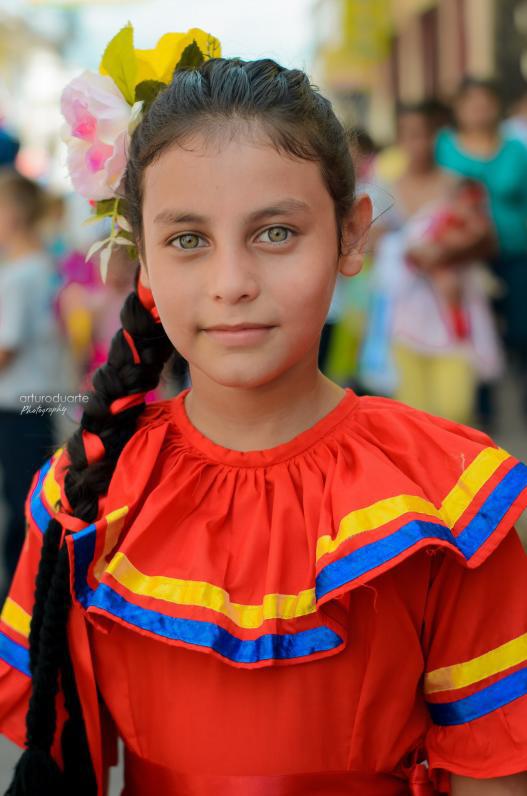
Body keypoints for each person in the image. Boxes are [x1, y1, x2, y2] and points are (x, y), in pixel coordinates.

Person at [1, 30, 527, 796]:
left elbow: (493, 777)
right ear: (141, 256)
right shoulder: (83, 496)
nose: (231, 282)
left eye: (275, 232)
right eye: (187, 239)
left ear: (351, 234)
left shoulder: (446, 503)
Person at [386, 103, 502, 423]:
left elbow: (489, 242)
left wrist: (445, 254)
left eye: (426, 135)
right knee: (413, 417)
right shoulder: (388, 190)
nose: (419, 143)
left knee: (455, 409)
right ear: (399, 139)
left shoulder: (457, 185)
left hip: (453, 312)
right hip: (405, 315)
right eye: (411, 135)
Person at [436, 78, 527, 423]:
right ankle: (483, 402)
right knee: (473, 329)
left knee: (520, 327)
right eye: (471, 103)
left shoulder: (516, 148)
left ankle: (518, 383)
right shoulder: (443, 146)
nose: (479, 110)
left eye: (485, 102)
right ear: (458, 109)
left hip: (514, 250)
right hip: (463, 256)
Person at [0, 170, 62, 601]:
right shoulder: (42, 265)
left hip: (17, 406)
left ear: (14, 215)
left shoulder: (20, 275)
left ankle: (20, 605)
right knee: (29, 504)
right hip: (33, 403)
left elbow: (5, 349)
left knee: (22, 509)